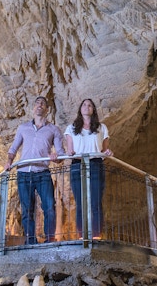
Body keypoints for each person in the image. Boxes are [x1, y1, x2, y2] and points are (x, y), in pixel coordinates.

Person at [5, 96, 65, 244]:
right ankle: (30, 240)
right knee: (27, 209)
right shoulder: (23, 128)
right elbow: (13, 148)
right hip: (24, 173)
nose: (40, 105)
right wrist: (9, 162)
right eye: (37, 103)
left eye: (43, 103)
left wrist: (55, 158)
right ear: (33, 108)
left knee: (49, 206)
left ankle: (49, 238)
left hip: (43, 172)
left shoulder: (53, 130)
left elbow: (61, 153)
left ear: (47, 110)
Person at [64, 98, 113, 239]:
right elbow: (70, 150)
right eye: (84, 105)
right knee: (80, 202)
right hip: (77, 164)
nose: (87, 107)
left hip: (96, 164)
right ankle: (82, 235)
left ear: (93, 109)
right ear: (80, 108)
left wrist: (108, 153)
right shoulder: (71, 128)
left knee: (96, 201)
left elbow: (104, 149)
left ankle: (96, 235)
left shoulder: (101, 128)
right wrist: (69, 153)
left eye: (90, 105)